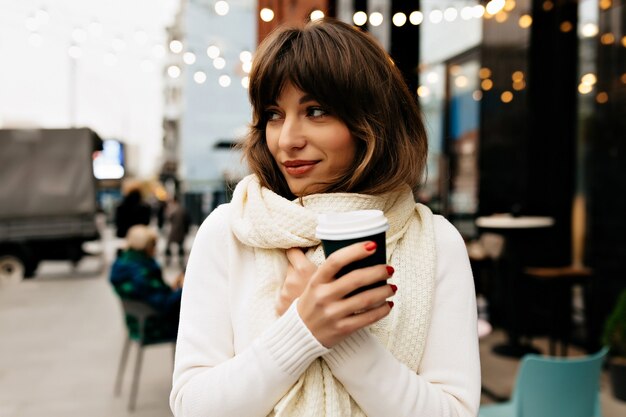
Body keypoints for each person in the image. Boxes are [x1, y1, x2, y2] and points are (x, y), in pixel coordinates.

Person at [170, 18, 479, 417]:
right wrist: (302, 329)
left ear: (371, 122)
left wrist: (341, 335)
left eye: (315, 111)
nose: (287, 140)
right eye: (274, 114)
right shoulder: (229, 232)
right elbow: (193, 407)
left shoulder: (436, 242)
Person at [110, 225, 183, 340]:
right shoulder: (141, 272)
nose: (155, 249)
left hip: (137, 322)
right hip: (154, 326)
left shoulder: (122, 264)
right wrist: (182, 290)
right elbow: (164, 304)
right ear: (145, 246)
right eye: (153, 245)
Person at [164, 195, 191, 268]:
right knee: (180, 247)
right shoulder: (182, 210)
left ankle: (168, 261)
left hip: (174, 231)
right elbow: (188, 221)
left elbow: (169, 220)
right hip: (180, 232)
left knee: (169, 247)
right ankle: (180, 262)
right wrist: (186, 231)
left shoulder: (174, 209)